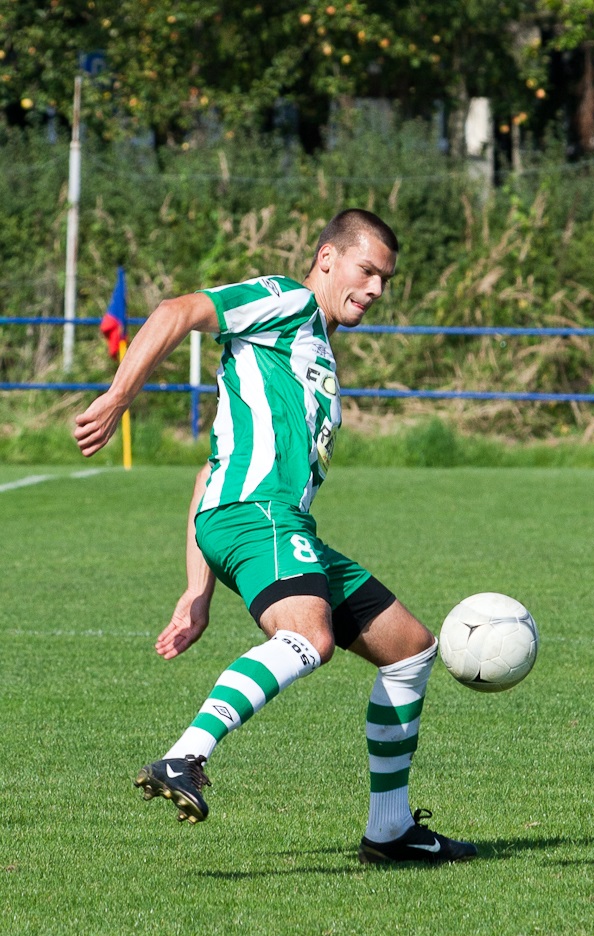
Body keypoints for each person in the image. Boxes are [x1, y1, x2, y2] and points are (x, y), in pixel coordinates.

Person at [75, 208, 477, 865]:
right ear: (326, 258)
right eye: (367, 270)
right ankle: (185, 755)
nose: (376, 289)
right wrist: (121, 396)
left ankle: (391, 828)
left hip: (272, 522)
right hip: (255, 513)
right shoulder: (284, 300)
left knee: (408, 648)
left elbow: (211, 466)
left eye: (385, 279)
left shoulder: (314, 347)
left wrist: (197, 589)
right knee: (309, 635)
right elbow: (178, 310)